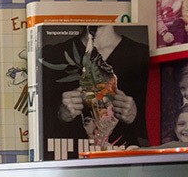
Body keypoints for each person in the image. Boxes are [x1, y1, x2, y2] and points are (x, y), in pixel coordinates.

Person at [40, 24, 150, 156]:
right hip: (70, 160)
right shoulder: (53, 55)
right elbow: (36, 128)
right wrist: (60, 114)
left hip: (123, 161)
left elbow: (160, 130)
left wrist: (136, 115)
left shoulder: (142, 54)